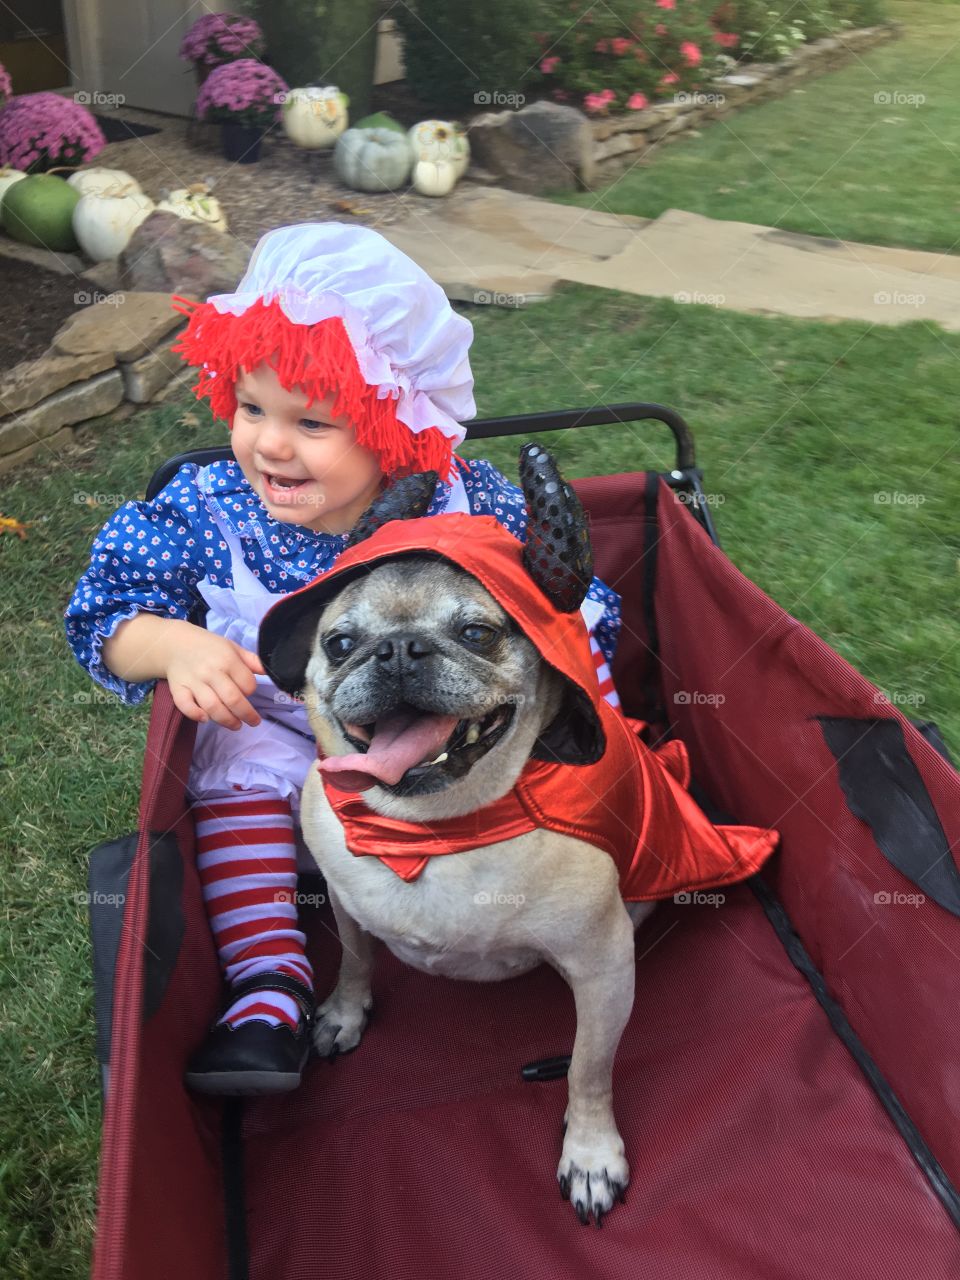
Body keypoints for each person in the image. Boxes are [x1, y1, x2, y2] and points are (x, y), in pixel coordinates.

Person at [64, 222, 624, 1094]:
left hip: (457, 746)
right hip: (285, 739)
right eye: (251, 408)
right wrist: (174, 644)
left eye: (311, 421)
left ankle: (531, 928)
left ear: (392, 424)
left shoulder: (467, 502)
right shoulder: (208, 505)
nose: (269, 445)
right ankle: (269, 984)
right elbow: (101, 614)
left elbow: (570, 621)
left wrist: (593, 733)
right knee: (233, 760)